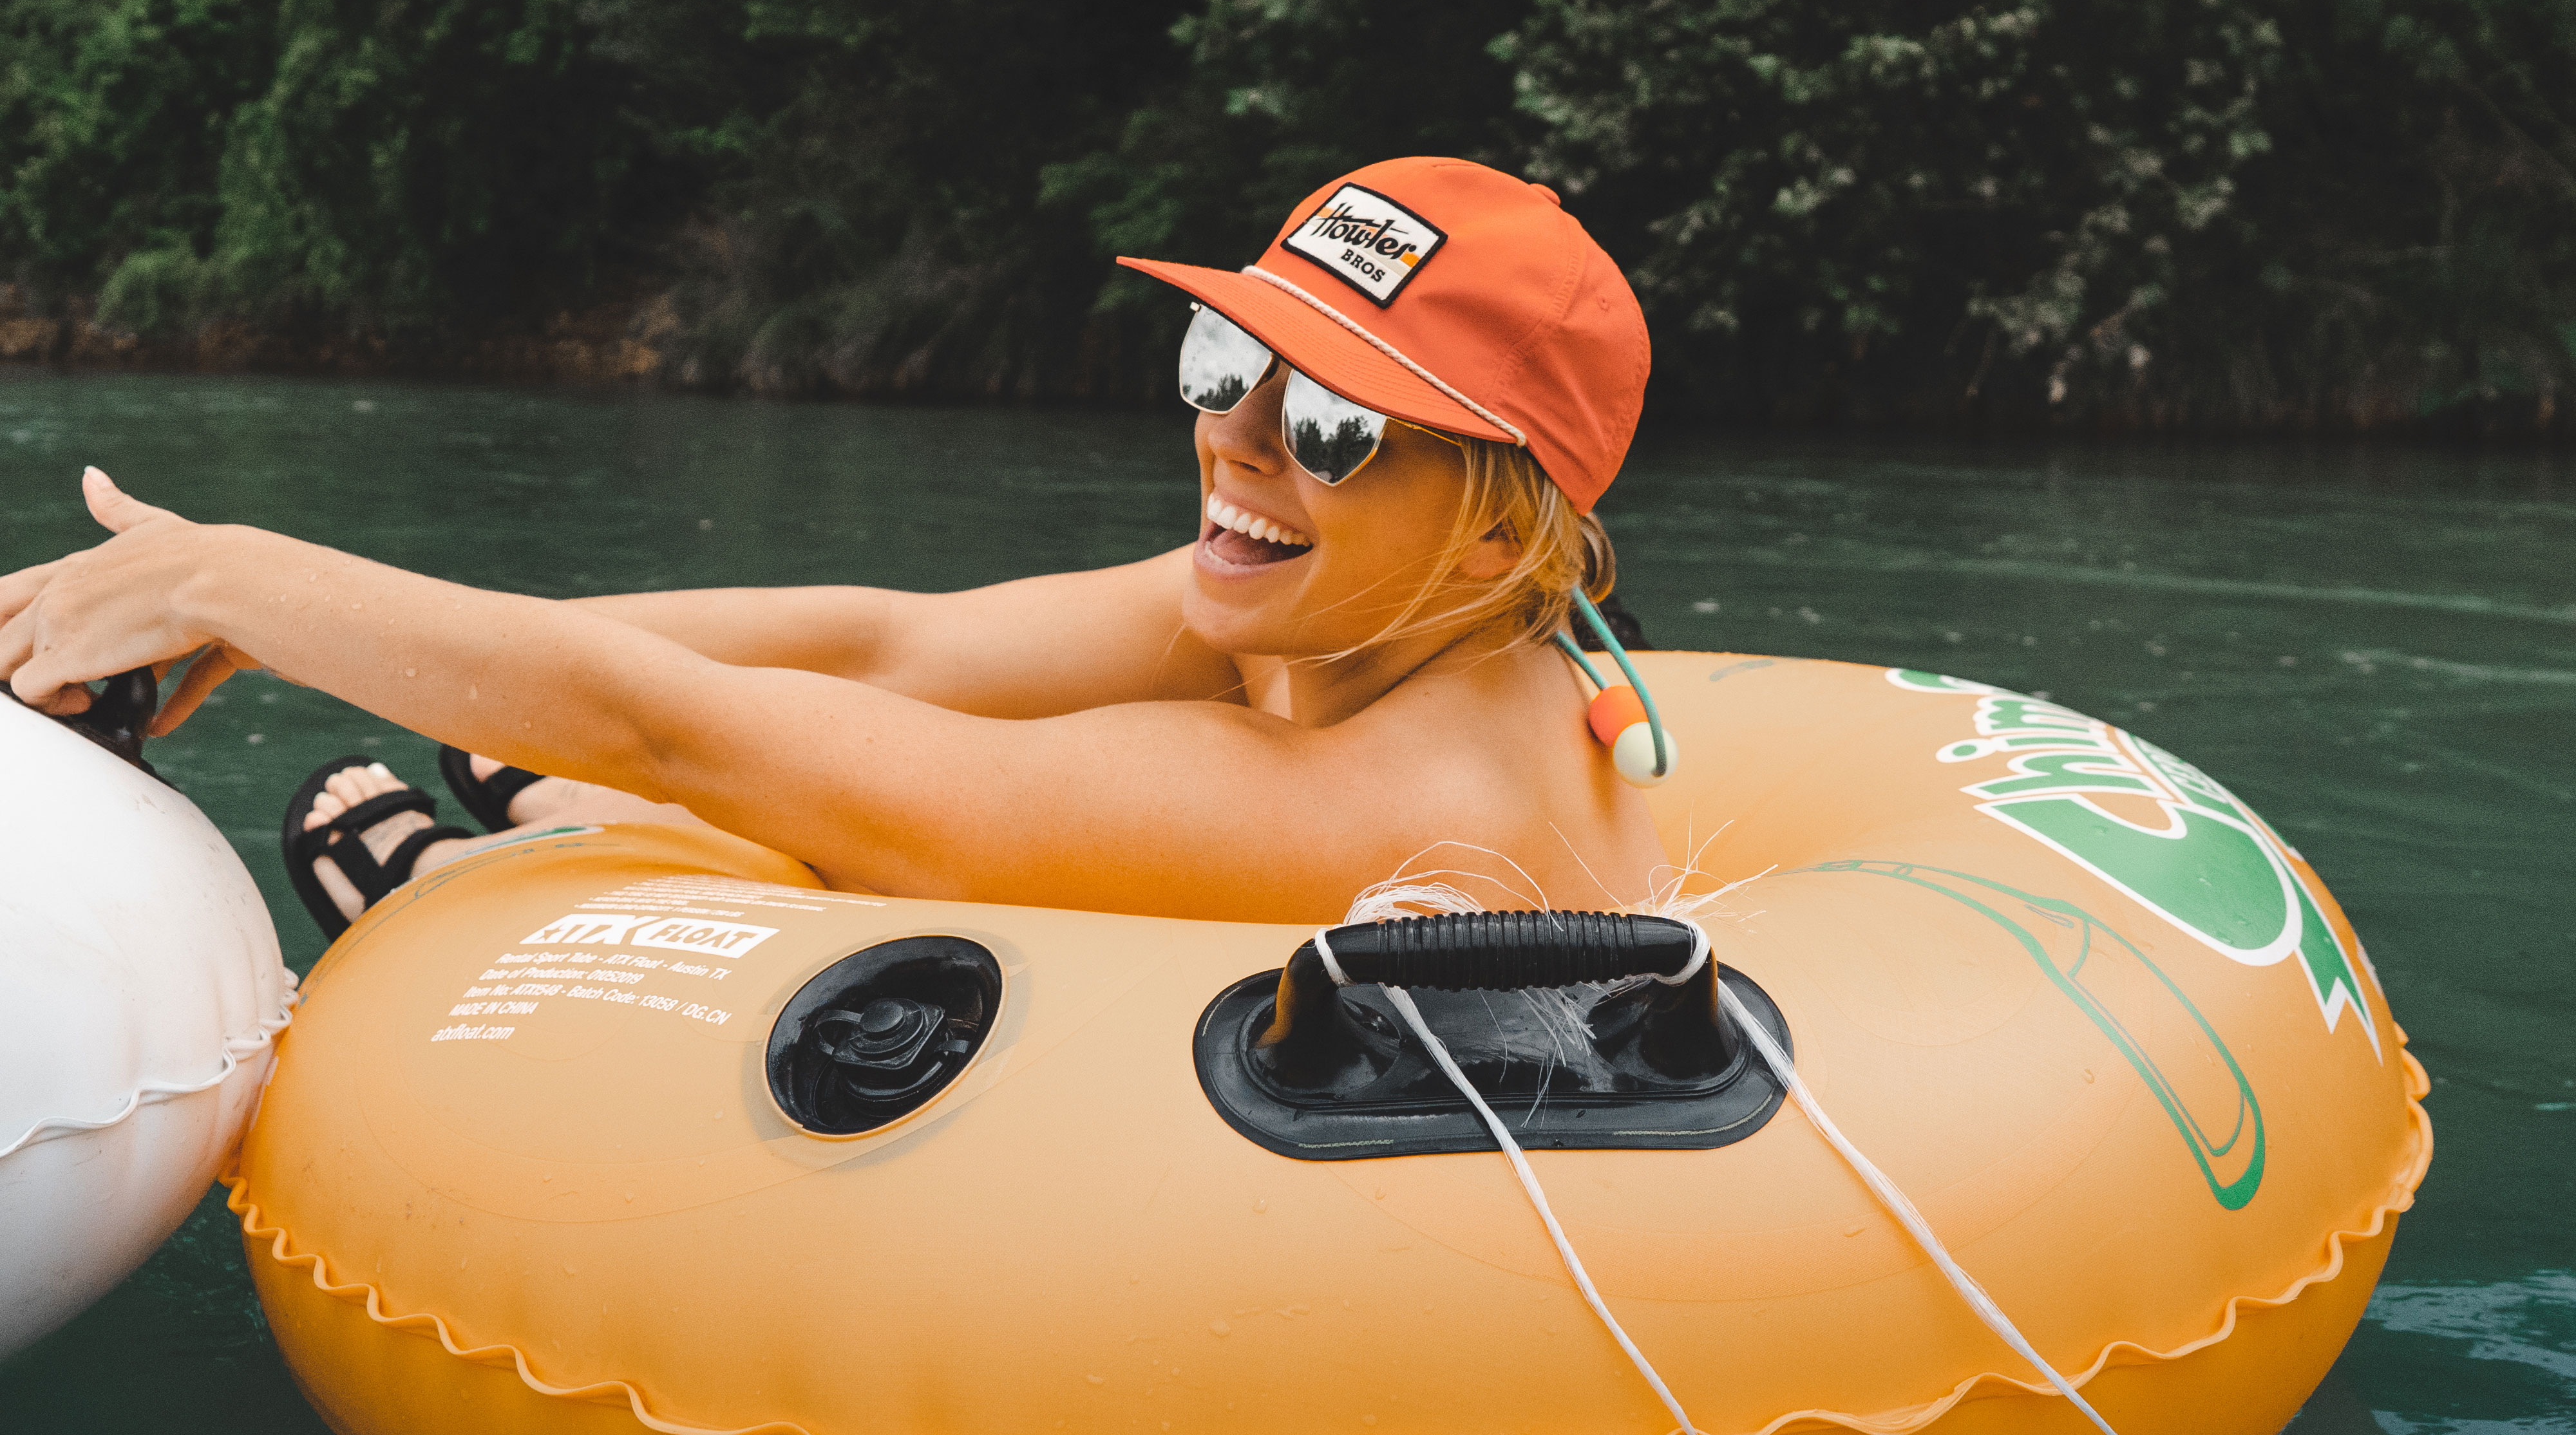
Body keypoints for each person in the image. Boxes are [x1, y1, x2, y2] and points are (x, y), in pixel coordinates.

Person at [0, 158, 1664, 936]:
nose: (1237, 438)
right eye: (1230, 364)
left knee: (799, 842)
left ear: (1492, 541)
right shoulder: (1356, 602)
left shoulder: (1419, 808)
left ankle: (482, 874)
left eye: (1337, 427)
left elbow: (707, 738)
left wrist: (231, 578)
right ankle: (543, 814)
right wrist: (328, 624)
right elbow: (893, 647)